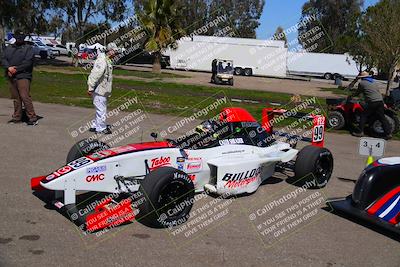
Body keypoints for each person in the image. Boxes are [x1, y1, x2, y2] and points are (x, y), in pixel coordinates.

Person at [1, 30, 38, 125]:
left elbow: (28, 62)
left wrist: (16, 69)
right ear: (15, 37)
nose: (19, 38)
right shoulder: (9, 48)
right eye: (18, 36)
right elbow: (3, 58)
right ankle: (17, 117)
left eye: (21, 37)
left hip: (23, 75)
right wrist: (9, 68)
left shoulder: (28, 48)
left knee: (24, 96)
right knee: (16, 97)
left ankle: (32, 117)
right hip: (11, 75)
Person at [87, 43, 118, 134]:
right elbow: (95, 75)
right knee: (101, 110)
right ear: (110, 50)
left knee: (100, 109)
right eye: (114, 51)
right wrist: (90, 87)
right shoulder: (102, 61)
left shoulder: (107, 60)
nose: (115, 53)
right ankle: (101, 128)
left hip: (102, 90)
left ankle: (95, 125)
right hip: (99, 90)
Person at [351, 71, 392, 139]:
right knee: (382, 117)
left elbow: (358, 92)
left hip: (372, 102)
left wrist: (352, 95)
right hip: (380, 101)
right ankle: (388, 133)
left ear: (362, 78)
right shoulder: (373, 82)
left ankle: (360, 132)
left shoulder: (362, 83)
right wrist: (383, 103)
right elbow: (378, 92)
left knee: (363, 115)